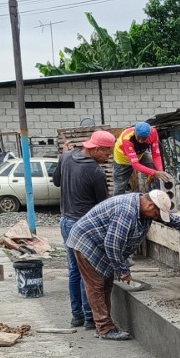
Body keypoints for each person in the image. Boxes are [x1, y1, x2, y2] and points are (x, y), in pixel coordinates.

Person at [66, 189, 180, 340]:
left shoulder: (144, 208)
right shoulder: (126, 212)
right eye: (156, 214)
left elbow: (172, 220)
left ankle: (102, 325)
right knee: (97, 285)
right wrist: (123, 271)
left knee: (106, 283)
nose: (157, 218)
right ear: (150, 206)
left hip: (101, 243)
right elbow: (113, 245)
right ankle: (104, 329)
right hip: (87, 242)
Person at [51, 130, 113, 328]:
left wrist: (62, 158)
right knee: (89, 272)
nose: (108, 156)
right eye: (106, 152)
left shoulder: (66, 157)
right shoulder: (96, 172)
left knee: (74, 270)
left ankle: (76, 316)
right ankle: (89, 318)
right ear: (95, 149)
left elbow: (56, 181)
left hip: (66, 222)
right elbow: (103, 207)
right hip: (84, 228)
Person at [111, 122, 164, 193]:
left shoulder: (153, 133)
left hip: (139, 154)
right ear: (135, 132)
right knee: (120, 188)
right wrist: (154, 173)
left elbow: (156, 155)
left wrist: (160, 171)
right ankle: (117, 199)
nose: (140, 141)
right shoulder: (127, 138)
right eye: (138, 137)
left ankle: (158, 193)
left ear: (149, 135)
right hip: (122, 160)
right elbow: (136, 165)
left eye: (144, 139)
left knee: (156, 170)